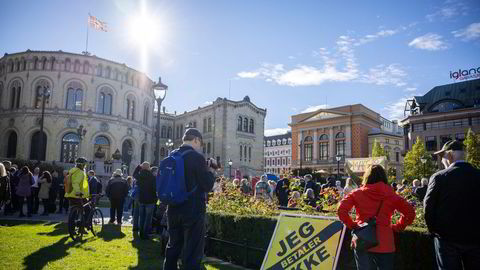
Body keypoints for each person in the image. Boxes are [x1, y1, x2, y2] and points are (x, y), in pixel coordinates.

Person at [337, 165, 415, 270]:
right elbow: (410, 212)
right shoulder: (391, 195)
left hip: (363, 239)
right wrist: (399, 226)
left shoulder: (357, 193)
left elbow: (341, 210)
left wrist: (353, 225)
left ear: (366, 177)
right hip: (385, 241)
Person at [164, 128, 215, 270]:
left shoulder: (172, 154)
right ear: (196, 140)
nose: (201, 148)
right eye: (201, 144)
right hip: (192, 210)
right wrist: (211, 172)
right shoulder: (196, 158)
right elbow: (207, 185)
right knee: (192, 252)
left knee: (173, 247)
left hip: (173, 208)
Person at [424, 140, 480, 270]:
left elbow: (428, 207)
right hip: (476, 238)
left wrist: (434, 231)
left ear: (449, 156)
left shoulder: (439, 177)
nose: (442, 160)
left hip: (447, 239)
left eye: (442, 156)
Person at [135, 162, 157, 239]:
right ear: (149, 168)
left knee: (142, 217)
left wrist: (139, 166)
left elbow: (134, 174)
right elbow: (155, 188)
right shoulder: (152, 177)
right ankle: (145, 234)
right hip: (150, 200)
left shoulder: (140, 176)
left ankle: (141, 233)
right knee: (148, 219)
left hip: (142, 199)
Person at [131, 165, 141, 232]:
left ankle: (135, 227)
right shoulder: (149, 176)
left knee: (136, 213)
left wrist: (138, 167)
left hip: (137, 196)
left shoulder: (139, 177)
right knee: (142, 213)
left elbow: (134, 174)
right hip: (144, 196)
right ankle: (140, 227)